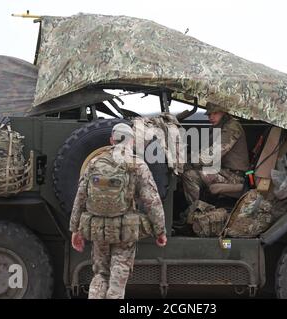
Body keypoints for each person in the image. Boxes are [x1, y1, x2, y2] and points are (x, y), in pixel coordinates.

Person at [70, 123, 167, 299]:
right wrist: (160, 231)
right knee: (118, 275)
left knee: (100, 274)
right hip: (125, 230)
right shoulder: (137, 165)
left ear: (111, 140)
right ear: (131, 142)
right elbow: (152, 201)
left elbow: (80, 197)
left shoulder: (94, 162)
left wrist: (75, 230)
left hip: (98, 229)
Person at [180, 102, 250, 221]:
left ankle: (196, 215)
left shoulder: (232, 127)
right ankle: (198, 212)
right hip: (224, 172)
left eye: (215, 113)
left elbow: (213, 154)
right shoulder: (219, 127)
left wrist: (188, 161)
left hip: (235, 176)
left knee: (190, 175)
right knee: (188, 171)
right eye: (209, 114)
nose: (211, 117)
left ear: (224, 113)